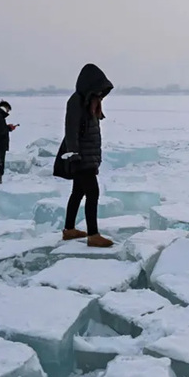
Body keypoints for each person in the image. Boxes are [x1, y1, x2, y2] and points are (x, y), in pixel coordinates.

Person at [53, 63, 114, 247]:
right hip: (80, 158)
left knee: (78, 192)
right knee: (93, 193)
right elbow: (71, 131)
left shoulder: (91, 104)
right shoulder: (76, 102)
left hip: (88, 158)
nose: (100, 94)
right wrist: (73, 155)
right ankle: (93, 235)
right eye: (98, 90)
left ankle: (69, 230)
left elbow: (92, 135)